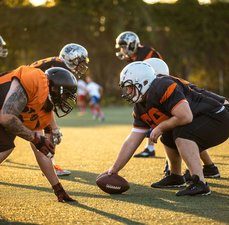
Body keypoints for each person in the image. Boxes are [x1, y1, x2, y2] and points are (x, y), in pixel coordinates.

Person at [104, 61, 229, 196]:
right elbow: (132, 140)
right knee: (168, 135)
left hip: (218, 117)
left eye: (130, 87)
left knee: (182, 133)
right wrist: (114, 169)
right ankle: (175, 176)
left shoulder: (162, 86)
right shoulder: (140, 106)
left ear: (144, 82)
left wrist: (160, 127)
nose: (128, 91)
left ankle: (199, 183)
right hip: (203, 118)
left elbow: (185, 116)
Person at [0, 66, 77, 202]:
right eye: (65, 94)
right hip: (3, 113)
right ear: (55, 88)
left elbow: (43, 152)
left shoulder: (44, 111)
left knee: (5, 146)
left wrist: (57, 187)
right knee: (5, 147)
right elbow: (6, 117)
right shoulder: (35, 78)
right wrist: (35, 139)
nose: (64, 99)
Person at [145, 58, 222, 180]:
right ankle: (209, 168)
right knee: (181, 131)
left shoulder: (165, 86)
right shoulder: (167, 83)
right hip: (208, 110)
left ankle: (199, 173)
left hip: (217, 111)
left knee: (184, 133)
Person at [30, 43, 89, 176]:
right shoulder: (58, 69)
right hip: (27, 95)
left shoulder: (57, 64)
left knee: (43, 131)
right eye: (79, 62)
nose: (82, 66)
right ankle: (49, 167)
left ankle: (49, 164)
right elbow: (48, 101)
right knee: (44, 132)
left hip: (29, 94)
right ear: (70, 59)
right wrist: (55, 128)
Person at [115, 31, 163, 158]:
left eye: (124, 46)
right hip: (144, 90)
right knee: (148, 117)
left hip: (156, 89)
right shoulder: (133, 56)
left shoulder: (149, 54)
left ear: (132, 45)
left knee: (154, 118)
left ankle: (151, 148)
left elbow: (158, 72)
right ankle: (150, 148)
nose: (122, 50)